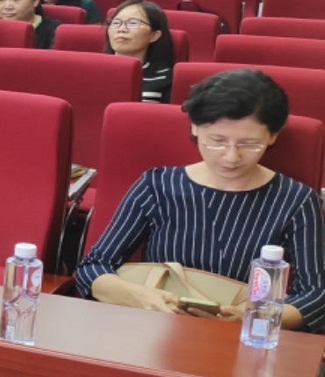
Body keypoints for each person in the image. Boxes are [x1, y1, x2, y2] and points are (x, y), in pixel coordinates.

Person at [75, 69, 324, 332]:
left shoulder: (296, 200)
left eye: (249, 144)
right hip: (156, 328)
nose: (231, 157)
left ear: (272, 136)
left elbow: (315, 294)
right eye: (217, 141)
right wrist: (141, 298)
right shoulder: (158, 186)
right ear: (195, 127)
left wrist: (250, 317)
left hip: (241, 336)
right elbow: (93, 266)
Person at [105, 0, 175, 103]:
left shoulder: (167, 78)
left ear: (154, 35)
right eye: (116, 23)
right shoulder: (92, 71)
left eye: (133, 23)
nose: (121, 29)